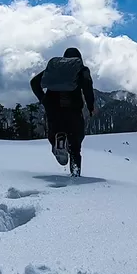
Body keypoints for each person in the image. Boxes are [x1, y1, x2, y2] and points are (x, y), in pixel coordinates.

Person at [30, 47, 96, 177]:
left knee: (54, 132)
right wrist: (90, 106)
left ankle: (59, 141)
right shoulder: (81, 69)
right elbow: (87, 86)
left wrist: (43, 99)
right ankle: (75, 174)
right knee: (75, 145)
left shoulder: (54, 69)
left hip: (52, 107)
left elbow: (34, 82)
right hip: (73, 108)